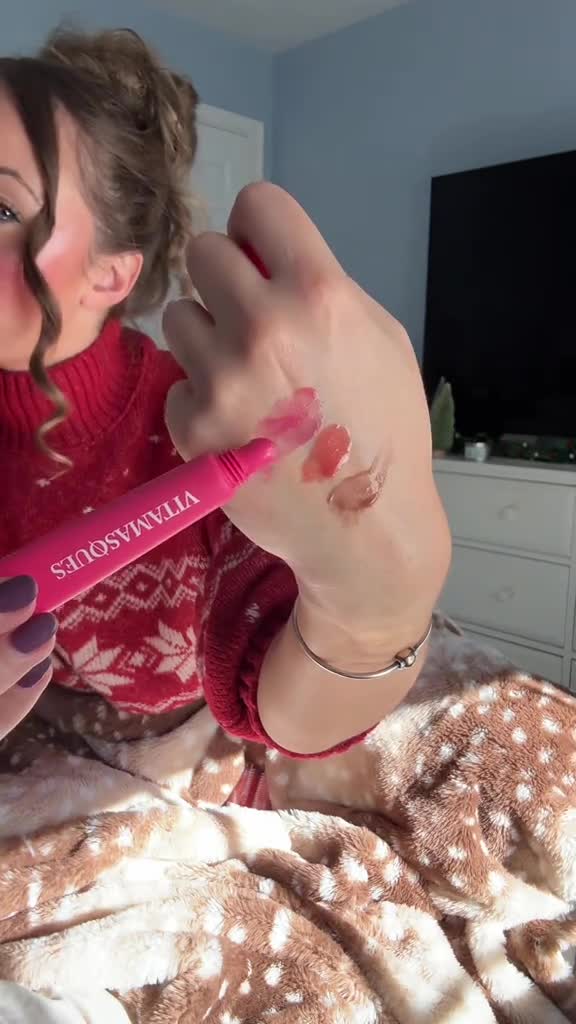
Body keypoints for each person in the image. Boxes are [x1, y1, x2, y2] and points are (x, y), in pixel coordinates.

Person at [0, 27, 450, 782]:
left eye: (0, 208)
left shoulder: (204, 423)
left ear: (111, 275)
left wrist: (375, 614)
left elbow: (288, 703)